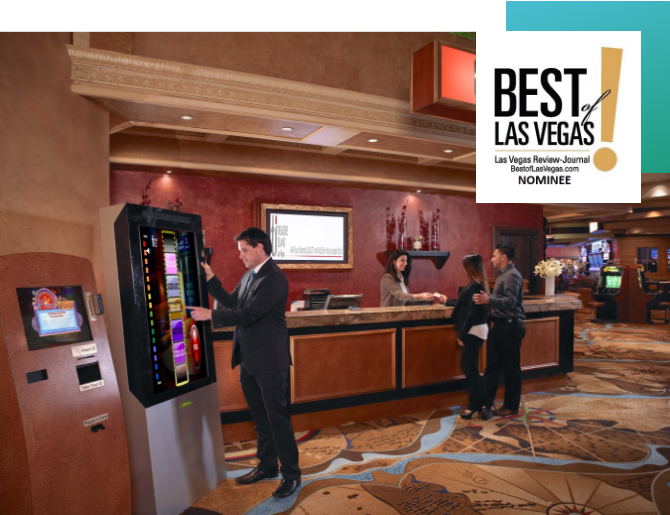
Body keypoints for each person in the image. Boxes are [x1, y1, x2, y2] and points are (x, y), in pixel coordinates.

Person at [187, 227, 301, 499]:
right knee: (261, 419)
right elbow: (230, 303)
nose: (240, 255)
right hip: (248, 359)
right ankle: (267, 466)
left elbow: (248, 315)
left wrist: (209, 316)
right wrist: (212, 280)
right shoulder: (250, 274)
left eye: (244, 249)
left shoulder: (275, 278)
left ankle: (292, 475)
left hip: (271, 361)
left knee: (277, 421)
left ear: (260, 247)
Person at [473, 243, 526, 419]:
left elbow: (510, 301)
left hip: (510, 327)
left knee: (511, 369)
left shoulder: (511, 275)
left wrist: (489, 300)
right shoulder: (504, 275)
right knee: (492, 368)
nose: (492, 259)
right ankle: (486, 404)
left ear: (504, 257)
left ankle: (511, 406)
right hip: (501, 326)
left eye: (494, 256)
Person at [444, 254, 490, 420]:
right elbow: (463, 303)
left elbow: (472, 314)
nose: (463, 269)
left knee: (468, 367)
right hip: (476, 330)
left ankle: (477, 403)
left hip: (474, 331)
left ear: (469, 267)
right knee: (470, 367)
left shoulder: (475, 286)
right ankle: (481, 403)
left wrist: (462, 334)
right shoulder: (475, 284)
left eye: (465, 266)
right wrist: (446, 301)